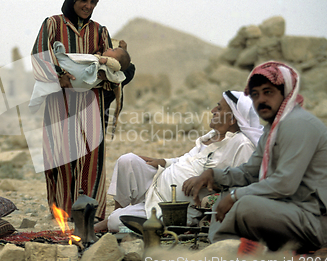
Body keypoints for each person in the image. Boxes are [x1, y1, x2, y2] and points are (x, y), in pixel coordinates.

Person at [183, 61, 327, 252]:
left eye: (268, 92)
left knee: (245, 205)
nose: (261, 100)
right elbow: (249, 173)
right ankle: (223, 247)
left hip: (314, 221)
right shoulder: (273, 129)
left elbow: (284, 183)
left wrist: (236, 196)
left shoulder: (298, 124)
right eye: (255, 95)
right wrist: (214, 175)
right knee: (229, 194)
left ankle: (225, 251)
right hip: (290, 210)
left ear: (285, 93)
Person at [31, 0, 135, 220]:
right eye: (84, 0)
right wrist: (59, 75)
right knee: (62, 159)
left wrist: (102, 77)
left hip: (92, 104)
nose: (88, 6)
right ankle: (64, 216)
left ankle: (92, 217)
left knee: (91, 159)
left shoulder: (101, 31)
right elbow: (39, 58)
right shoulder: (52, 24)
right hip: (59, 103)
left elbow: (112, 65)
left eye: (93, 2)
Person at [95, 91, 263, 232]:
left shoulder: (242, 144)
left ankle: (112, 222)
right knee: (128, 161)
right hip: (156, 183)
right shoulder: (212, 137)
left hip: (173, 207)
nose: (212, 110)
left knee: (117, 221)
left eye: (219, 109)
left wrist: (208, 182)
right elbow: (188, 160)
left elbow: (242, 183)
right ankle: (121, 213)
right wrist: (165, 162)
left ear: (233, 119)